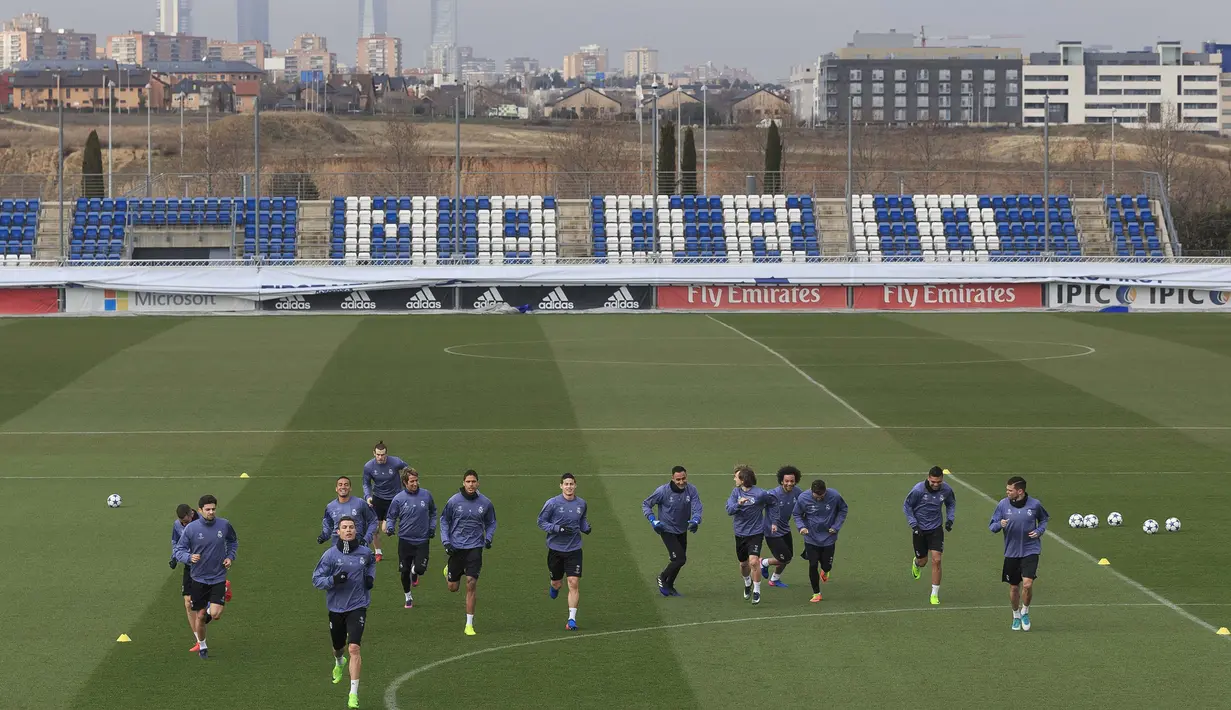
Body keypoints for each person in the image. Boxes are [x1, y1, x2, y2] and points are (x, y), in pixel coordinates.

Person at [312, 516, 375, 710]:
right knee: (338, 647)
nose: (348, 530)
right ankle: (339, 661)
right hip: (336, 608)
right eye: (344, 528)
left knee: (354, 648)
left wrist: (370, 578)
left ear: (356, 530)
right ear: (338, 532)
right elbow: (316, 580)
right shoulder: (330, 555)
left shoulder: (365, 552)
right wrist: (333, 580)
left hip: (358, 606)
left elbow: (371, 563)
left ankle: (353, 694)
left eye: (351, 527)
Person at [172, 494, 238, 659]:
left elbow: (233, 542)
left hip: (218, 576)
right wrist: (188, 558)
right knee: (199, 615)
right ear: (200, 510)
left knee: (215, 614)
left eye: (213, 509)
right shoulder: (191, 529)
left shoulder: (224, 525)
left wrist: (230, 556)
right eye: (207, 509)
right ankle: (202, 646)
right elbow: (179, 549)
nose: (211, 512)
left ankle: (223, 588)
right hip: (198, 578)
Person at [439, 470, 497, 636]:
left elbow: (491, 522)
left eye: (474, 481)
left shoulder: (485, 503)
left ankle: (469, 624)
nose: (471, 484)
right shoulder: (453, 501)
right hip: (456, 548)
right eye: (468, 482)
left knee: (471, 583)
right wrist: (446, 542)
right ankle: (448, 570)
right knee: (453, 587)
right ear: (463, 483)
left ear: (478, 483)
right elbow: (444, 521)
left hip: (475, 547)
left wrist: (489, 538)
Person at [989, 476, 1049, 632]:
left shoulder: (1035, 505)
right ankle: (1015, 615)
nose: (1007, 492)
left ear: (1020, 491)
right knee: (1014, 587)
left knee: (1028, 584)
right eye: (1007, 490)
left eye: (1010, 490)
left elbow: (1044, 519)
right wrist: (999, 524)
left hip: (1031, 549)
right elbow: (992, 526)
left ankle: (1025, 612)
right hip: (1011, 551)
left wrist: (1039, 531)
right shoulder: (1003, 505)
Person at [537, 473, 592, 630]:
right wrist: (557, 528)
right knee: (557, 583)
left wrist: (586, 528)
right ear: (561, 486)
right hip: (555, 549)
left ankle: (571, 619)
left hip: (574, 549)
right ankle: (554, 587)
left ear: (575, 486)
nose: (569, 487)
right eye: (566, 484)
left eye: (571, 484)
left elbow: (581, 520)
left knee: (573, 582)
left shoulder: (581, 503)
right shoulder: (552, 503)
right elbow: (541, 522)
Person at [641, 465, 703, 597]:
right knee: (679, 559)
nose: (681, 482)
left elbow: (697, 507)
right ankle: (662, 578)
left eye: (683, 478)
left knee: (680, 560)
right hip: (666, 529)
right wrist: (653, 520)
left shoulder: (691, 490)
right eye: (678, 479)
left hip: (682, 529)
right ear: (672, 478)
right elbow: (646, 504)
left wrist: (696, 520)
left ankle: (669, 586)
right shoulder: (662, 491)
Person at [384, 467, 436, 609]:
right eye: (412, 481)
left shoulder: (426, 495)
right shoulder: (399, 499)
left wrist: (432, 527)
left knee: (420, 569)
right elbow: (391, 516)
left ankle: (415, 572)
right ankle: (408, 596)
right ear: (405, 483)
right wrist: (389, 527)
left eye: (416, 480)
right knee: (403, 571)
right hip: (405, 540)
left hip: (422, 540)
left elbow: (433, 512)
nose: (415, 484)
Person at [904, 466, 957, 605]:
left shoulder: (946, 489)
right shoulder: (918, 490)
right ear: (928, 478)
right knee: (923, 561)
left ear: (942, 479)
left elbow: (951, 503)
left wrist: (950, 519)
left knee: (937, 560)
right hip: (919, 529)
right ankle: (916, 562)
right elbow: (907, 506)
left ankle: (934, 594)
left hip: (936, 529)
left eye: (938, 482)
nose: (936, 484)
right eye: (933, 481)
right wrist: (913, 524)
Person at [725, 465, 776, 604]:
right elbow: (729, 510)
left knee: (754, 561)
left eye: (736, 477)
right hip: (740, 533)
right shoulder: (735, 493)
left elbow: (773, 503)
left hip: (756, 532)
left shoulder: (760, 494)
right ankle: (747, 583)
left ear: (743, 479)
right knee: (743, 564)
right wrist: (738, 505)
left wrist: (773, 521)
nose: (734, 479)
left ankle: (757, 590)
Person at [791, 479, 847, 603]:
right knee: (812, 564)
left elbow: (843, 509)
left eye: (822, 496)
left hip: (829, 537)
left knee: (827, 565)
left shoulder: (835, 496)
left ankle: (826, 570)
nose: (819, 498)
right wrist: (801, 527)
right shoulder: (803, 498)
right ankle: (816, 593)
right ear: (812, 492)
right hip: (811, 537)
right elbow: (796, 514)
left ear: (825, 491)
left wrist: (836, 526)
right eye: (817, 496)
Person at [362, 441, 409, 562]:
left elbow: (408, 470)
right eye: (378, 454)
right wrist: (368, 496)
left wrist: (405, 488)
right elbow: (366, 483)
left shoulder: (396, 462)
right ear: (374, 453)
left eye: (382, 455)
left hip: (394, 499)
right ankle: (378, 552)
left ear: (386, 454)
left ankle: (392, 528)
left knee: (385, 529)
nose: (380, 457)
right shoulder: (368, 466)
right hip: (377, 498)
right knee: (374, 528)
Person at [761, 465, 803, 588]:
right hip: (772, 531)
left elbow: (804, 505)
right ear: (781, 481)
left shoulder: (797, 492)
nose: (789, 483)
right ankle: (763, 563)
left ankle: (774, 580)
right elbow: (758, 507)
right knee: (784, 558)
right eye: (787, 481)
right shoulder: (772, 494)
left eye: (792, 481)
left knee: (787, 558)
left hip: (785, 529)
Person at [170, 503, 200, 651]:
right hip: (189, 565)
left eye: (186, 522)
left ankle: (223, 588)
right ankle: (199, 641)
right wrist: (174, 556)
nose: (184, 525)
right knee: (188, 603)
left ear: (192, 514)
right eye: (182, 522)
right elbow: (175, 542)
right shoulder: (177, 525)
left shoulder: (202, 522)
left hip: (204, 565)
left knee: (206, 605)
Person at [319, 476, 377, 550]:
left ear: (350, 488)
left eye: (346, 484)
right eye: (340, 484)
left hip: (358, 545)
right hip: (337, 547)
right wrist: (324, 536)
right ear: (336, 489)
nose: (343, 487)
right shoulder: (330, 506)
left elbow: (373, 520)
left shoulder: (360, 503)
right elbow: (328, 525)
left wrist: (366, 539)